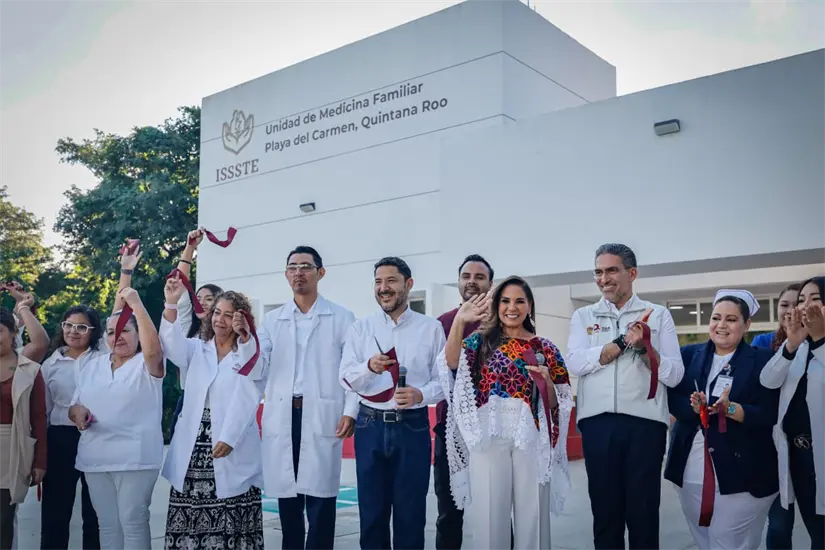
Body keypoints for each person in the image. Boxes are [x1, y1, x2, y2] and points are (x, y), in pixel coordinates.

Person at [438, 276, 573, 550]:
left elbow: (559, 403)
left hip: (531, 439)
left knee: (533, 517)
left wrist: (546, 382)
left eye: (520, 301)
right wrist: (460, 322)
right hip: (487, 439)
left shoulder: (546, 348)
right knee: (489, 519)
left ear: (530, 306)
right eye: (506, 301)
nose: (512, 307)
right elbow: (451, 362)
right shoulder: (478, 343)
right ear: (497, 305)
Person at [567, 243, 685, 550]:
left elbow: (675, 374)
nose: (603, 278)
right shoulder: (583, 315)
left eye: (611, 270)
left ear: (632, 273)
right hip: (597, 425)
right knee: (605, 514)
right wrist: (621, 342)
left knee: (643, 512)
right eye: (598, 271)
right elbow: (576, 363)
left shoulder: (659, 315)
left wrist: (644, 347)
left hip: (645, 425)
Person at [254, 246, 358, 550]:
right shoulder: (272, 321)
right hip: (284, 415)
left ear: (320, 272)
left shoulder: (341, 317)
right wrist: (246, 341)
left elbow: (350, 369)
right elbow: (258, 366)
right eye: (292, 267)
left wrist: (350, 410)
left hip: (322, 414)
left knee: (321, 500)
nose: (298, 272)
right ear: (286, 275)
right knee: (288, 501)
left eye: (305, 266)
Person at [339, 256, 446, 550]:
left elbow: (444, 382)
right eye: (378, 282)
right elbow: (346, 377)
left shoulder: (431, 328)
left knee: (410, 515)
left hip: (413, 427)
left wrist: (420, 394)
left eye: (391, 281)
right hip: (369, 424)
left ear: (408, 285)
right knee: (371, 515)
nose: (383, 288)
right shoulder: (361, 328)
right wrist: (369, 367)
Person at [665, 290, 780, 549]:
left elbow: (769, 412)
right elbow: (673, 398)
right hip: (691, 468)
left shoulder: (764, 360)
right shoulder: (687, 355)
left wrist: (731, 410)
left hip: (744, 471)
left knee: (726, 541)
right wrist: (693, 406)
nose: (722, 325)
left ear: (746, 324)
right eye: (716, 318)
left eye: (731, 319)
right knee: (706, 540)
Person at [160, 276, 265, 549]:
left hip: (231, 441)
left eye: (228, 315)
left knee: (230, 510)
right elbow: (171, 347)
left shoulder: (250, 352)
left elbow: (249, 394)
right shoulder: (198, 348)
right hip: (194, 445)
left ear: (241, 319)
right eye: (217, 312)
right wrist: (171, 303)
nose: (220, 319)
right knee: (191, 515)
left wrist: (230, 438)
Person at [68, 285, 164, 550]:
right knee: (107, 525)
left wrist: (135, 302)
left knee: (132, 521)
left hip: (135, 458)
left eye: (125, 330)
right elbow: (74, 404)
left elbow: (154, 350)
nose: (117, 337)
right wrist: (79, 414)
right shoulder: (93, 364)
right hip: (95, 458)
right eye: (111, 332)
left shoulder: (147, 363)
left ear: (139, 334)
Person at [434, 254, 495, 550]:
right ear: (458, 282)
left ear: (490, 283)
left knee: (495, 512)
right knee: (448, 514)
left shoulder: (504, 321)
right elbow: (445, 368)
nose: (472, 281)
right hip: (451, 430)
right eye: (466, 276)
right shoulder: (443, 323)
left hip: (494, 430)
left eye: (479, 277)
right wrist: (461, 321)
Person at [760, 276, 825, 548]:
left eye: (815, 299)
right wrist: (791, 345)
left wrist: (821, 338)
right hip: (797, 457)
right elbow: (767, 380)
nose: (805, 306)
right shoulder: (800, 347)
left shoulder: (818, 345)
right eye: (802, 301)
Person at [39, 305, 105, 550]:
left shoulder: (103, 358)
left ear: (93, 331)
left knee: (95, 508)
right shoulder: (50, 364)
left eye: (81, 327)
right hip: (60, 439)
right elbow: (44, 410)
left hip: (95, 436)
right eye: (68, 325)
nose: (73, 331)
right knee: (56, 508)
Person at [753, 283, 802, 550]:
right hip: (773, 443)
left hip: (810, 440)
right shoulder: (762, 343)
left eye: (797, 304)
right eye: (784, 304)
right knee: (780, 523)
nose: (790, 310)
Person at [168, 228, 223, 440]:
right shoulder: (188, 329)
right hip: (190, 400)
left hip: (219, 401)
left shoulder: (229, 333)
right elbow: (178, 287)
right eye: (198, 297)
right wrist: (190, 248)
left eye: (209, 298)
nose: (201, 301)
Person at [0, 306, 47, 550]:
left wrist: (40, 461)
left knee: (3, 521)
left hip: (13, 449)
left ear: (12, 332)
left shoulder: (29, 369)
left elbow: (39, 417)